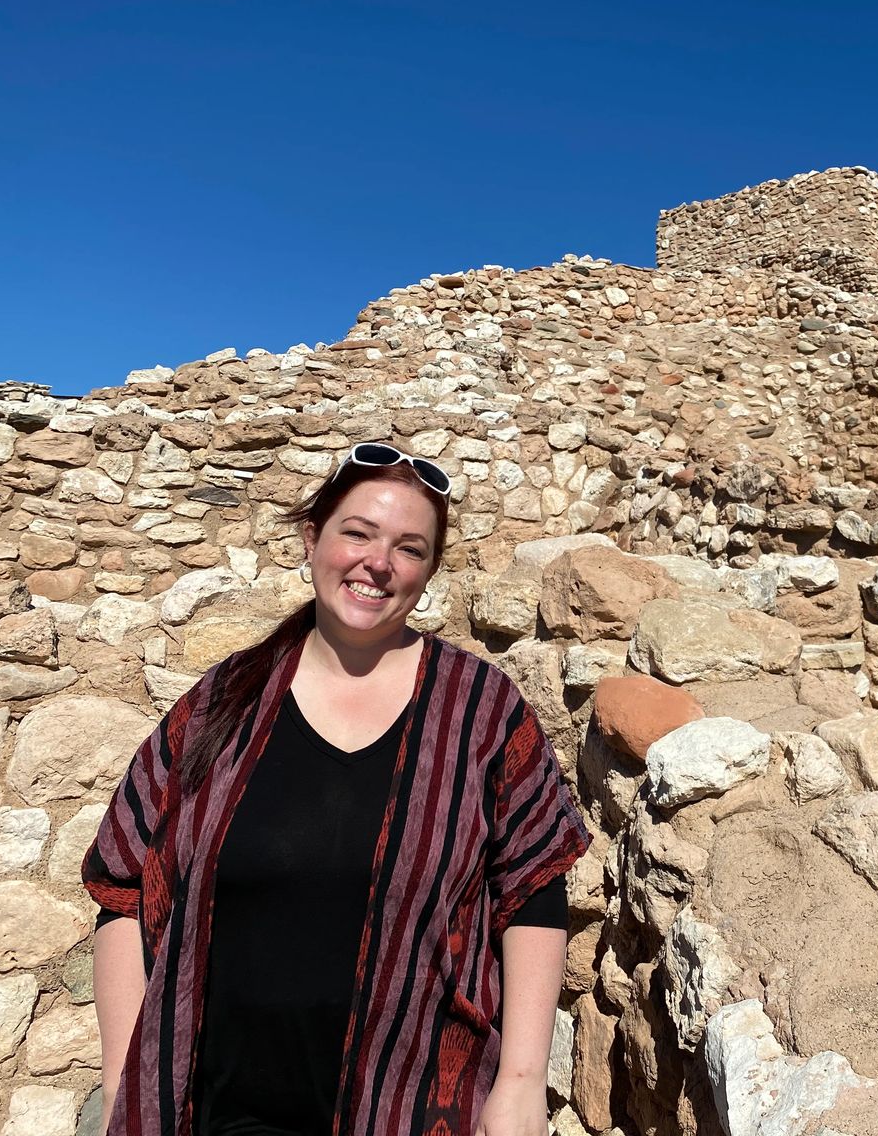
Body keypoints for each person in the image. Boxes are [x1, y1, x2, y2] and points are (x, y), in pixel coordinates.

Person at [84, 442, 590, 1136]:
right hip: (212, 1112)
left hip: (412, 1111)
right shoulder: (223, 702)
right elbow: (124, 884)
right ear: (312, 537)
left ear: (429, 571)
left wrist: (524, 1083)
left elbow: (532, 890)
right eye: (357, 532)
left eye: (409, 548)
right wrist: (123, 1081)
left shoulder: (480, 711)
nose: (378, 563)